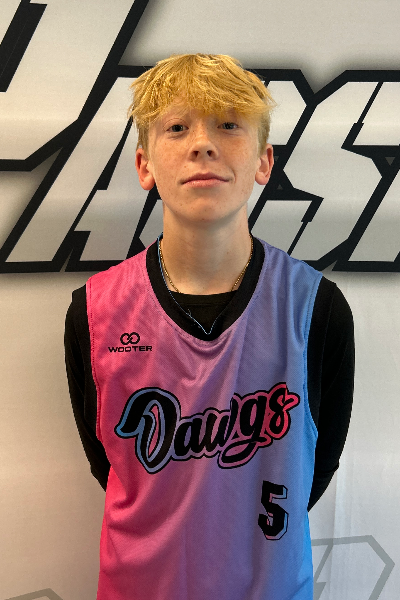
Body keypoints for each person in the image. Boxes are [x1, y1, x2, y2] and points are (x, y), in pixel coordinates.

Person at [64, 53, 354, 600]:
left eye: (228, 124)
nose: (202, 144)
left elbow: (313, 470)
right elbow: (113, 469)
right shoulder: (95, 312)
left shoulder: (317, 308)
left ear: (264, 161)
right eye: (177, 128)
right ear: (145, 164)